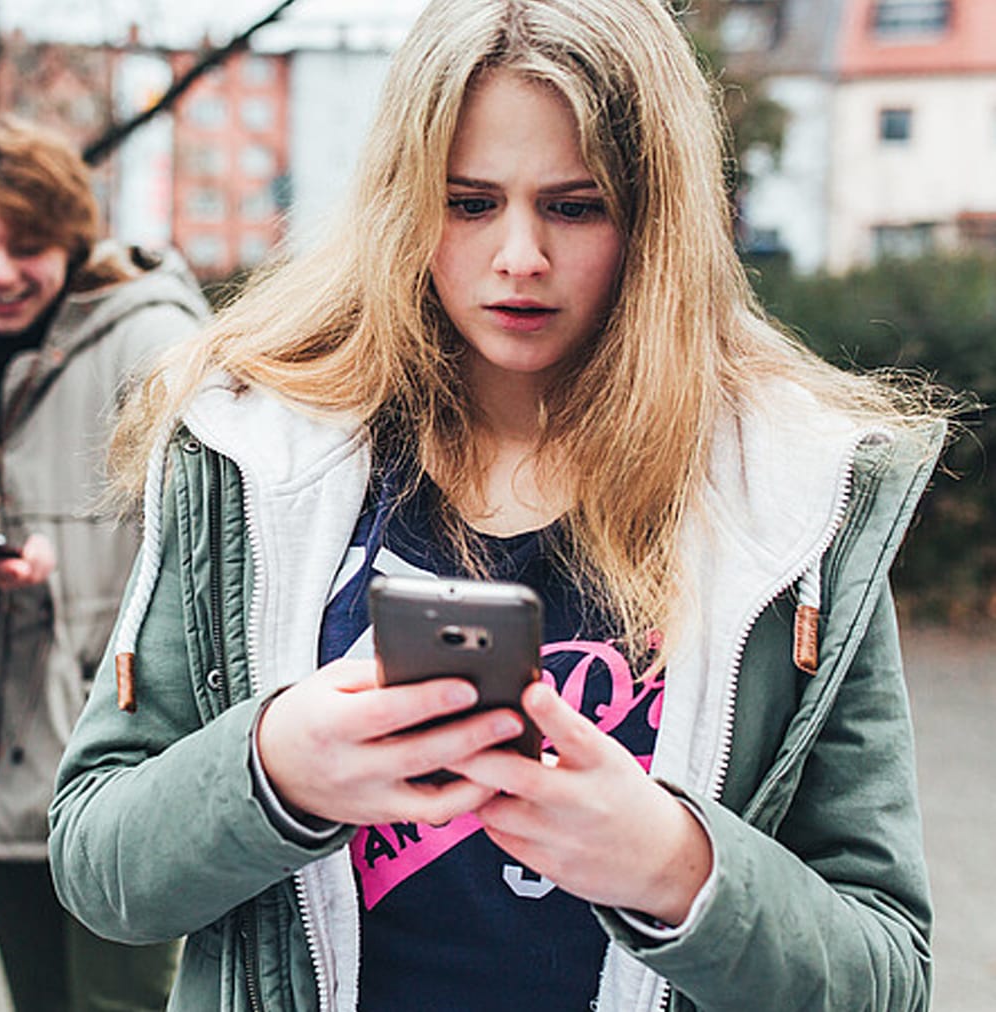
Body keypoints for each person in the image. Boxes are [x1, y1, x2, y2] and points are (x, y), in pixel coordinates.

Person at [48, 1, 949, 1010]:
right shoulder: (254, 450)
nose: (519, 254)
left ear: (657, 216)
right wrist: (273, 768)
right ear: (402, 200)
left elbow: (885, 974)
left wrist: (676, 867)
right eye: (470, 202)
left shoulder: (794, 491)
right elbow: (99, 865)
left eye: (575, 205)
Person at [0, 118, 208, 1011]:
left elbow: (220, 543)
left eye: (27, 245)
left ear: (72, 241)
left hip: (125, 752)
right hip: (2, 749)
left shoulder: (152, 341)